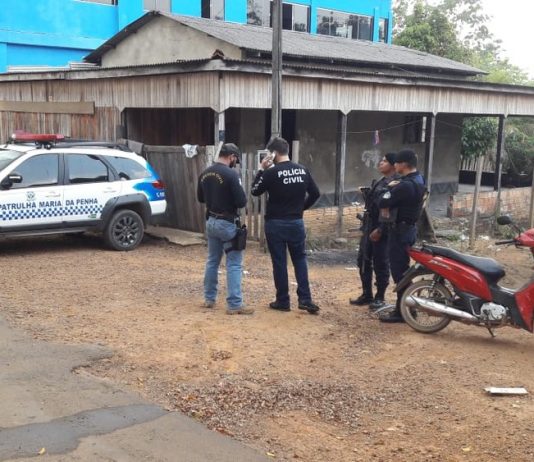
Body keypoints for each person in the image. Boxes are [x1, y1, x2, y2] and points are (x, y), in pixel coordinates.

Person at [251, 136, 321, 314]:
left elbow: (255, 190)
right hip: (296, 222)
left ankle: (283, 300)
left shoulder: (271, 173)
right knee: (300, 260)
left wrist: (261, 170)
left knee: (279, 262)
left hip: (275, 223)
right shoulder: (302, 170)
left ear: (274, 153)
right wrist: (301, 208)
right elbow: (315, 193)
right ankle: (305, 299)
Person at [197, 143, 253, 315]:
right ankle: (235, 304)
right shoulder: (231, 175)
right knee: (234, 263)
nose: (235, 163)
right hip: (227, 222)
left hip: (211, 221)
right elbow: (241, 202)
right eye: (235, 159)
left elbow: (200, 198)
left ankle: (209, 299)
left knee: (212, 261)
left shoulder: (205, 173)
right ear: (232, 157)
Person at [375, 148, 426, 323]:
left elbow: (382, 201)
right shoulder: (419, 179)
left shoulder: (404, 185)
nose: (394, 165)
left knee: (399, 273)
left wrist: (388, 188)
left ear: (404, 164)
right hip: (409, 229)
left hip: (400, 231)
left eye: (396, 162)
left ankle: (404, 311)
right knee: (402, 270)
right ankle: (405, 308)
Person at [350, 153, 398, 311]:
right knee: (363, 260)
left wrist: (381, 229)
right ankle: (367, 294)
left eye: (385, 161)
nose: (380, 163)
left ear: (393, 165)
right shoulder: (381, 181)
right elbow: (375, 201)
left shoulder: (395, 183)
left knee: (380, 262)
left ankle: (380, 296)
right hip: (369, 224)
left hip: (381, 227)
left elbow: (389, 209)